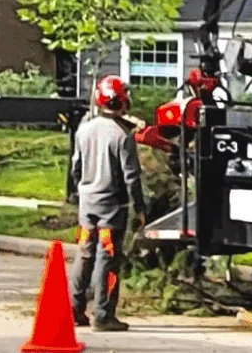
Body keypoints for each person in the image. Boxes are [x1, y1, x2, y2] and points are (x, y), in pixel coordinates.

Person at [69, 75, 147, 332]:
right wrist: (140, 208)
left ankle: (74, 309)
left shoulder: (84, 130)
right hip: (112, 208)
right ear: (123, 101)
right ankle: (103, 315)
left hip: (87, 206)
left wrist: (82, 190)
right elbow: (131, 177)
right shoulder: (122, 136)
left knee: (84, 253)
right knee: (108, 259)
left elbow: (75, 168)